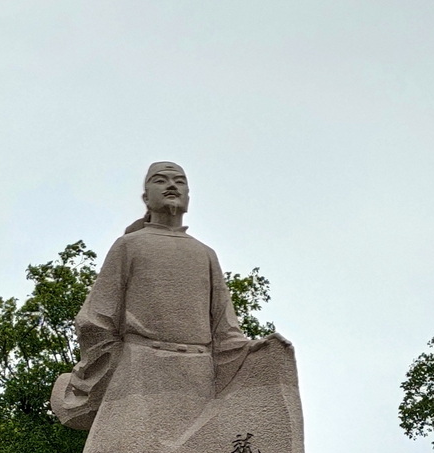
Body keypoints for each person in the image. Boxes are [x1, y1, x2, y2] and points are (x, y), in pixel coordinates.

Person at [52, 161, 286, 430]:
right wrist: (121, 365)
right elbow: (95, 320)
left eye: (180, 181)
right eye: (161, 180)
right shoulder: (129, 246)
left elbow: (226, 330)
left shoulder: (205, 254)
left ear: (188, 196)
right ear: (145, 197)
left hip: (197, 375)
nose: (172, 185)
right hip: (140, 369)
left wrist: (259, 350)